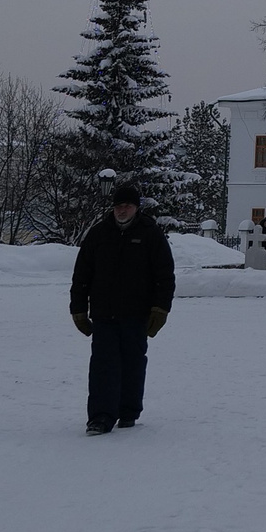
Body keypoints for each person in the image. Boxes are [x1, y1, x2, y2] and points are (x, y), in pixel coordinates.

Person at [69, 181, 175, 435]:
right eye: (117, 205)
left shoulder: (151, 234)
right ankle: (100, 417)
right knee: (103, 365)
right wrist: (79, 309)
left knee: (133, 363)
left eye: (126, 205)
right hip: (104, 313)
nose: (121, 210)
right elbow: (81, 274)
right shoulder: (98, 234)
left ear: (136, 208)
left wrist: (160, 309)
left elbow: (164, 275)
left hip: (137, 313)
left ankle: (128, 411)